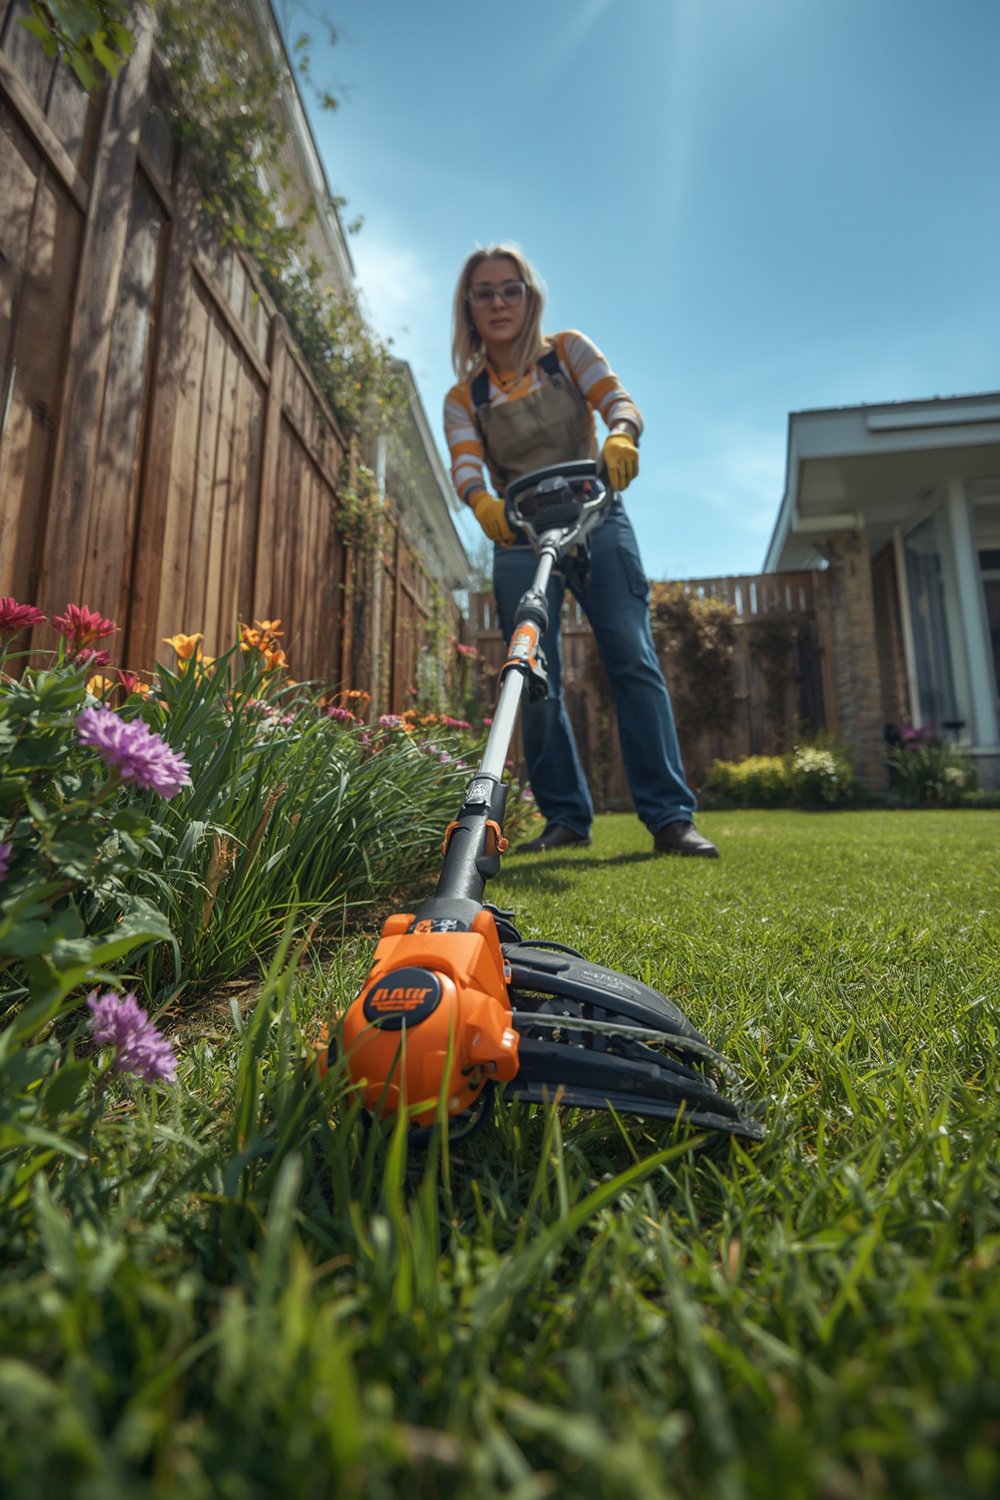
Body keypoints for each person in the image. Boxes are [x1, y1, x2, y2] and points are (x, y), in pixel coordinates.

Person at [443, 244, 718, 859]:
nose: (498, 302)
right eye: (484, 292)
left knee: (632, 658)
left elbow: (619, 402)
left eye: (509, 289)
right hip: (520, 534)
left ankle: (671, 816)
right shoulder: (467, 397)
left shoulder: (568, 352)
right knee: (531, 674)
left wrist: (622, 434)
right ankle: (565, 816)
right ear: (469, 306)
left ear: (529, 296)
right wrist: (481, 504)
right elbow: (467, 466)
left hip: (598, 517)